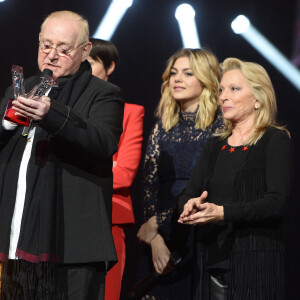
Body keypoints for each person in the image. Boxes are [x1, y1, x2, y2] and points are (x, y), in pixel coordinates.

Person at [0, 11, 124, 300]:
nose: (52, 55)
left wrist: (51, 114)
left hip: (72, 244)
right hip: (16, 236)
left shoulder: (104, 93)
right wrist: (7, 122)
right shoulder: (19, 89)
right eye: (46, 45)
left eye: (63, 49)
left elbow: (103, 142)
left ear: (85, 50)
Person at [178, 57, 293, 300]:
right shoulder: (214, 145)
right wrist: (189, 205)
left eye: (234, 89)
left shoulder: (275, 140)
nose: (223, 97)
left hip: (256, 263)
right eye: (221, 90)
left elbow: (275, 203)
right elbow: (189, 193)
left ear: (259, 99)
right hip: (211, 261)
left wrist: (222, 212)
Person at [136, 48, 223, 299]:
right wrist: (154, 238)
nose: (177, 79)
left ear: (206, 80)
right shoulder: (162, 126)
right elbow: (149, 184)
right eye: (173, 73)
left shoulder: (220, 126)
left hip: (198, 230)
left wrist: (157, 223)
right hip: (160, 238)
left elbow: (211, 185)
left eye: (187, 73)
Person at [88, 38, 145, 300]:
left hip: (109, 217)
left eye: (88, 62)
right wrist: (107, 163)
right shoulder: (60, 109)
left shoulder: (130, 112)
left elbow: (124, 174)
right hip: (60, 215)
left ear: (109, 67)